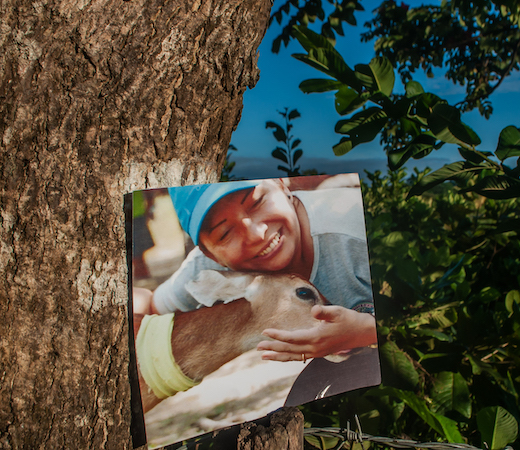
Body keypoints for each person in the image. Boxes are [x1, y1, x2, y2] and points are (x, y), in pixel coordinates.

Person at [137, 174, 380, 406]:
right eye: (224, 233)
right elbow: (149, 305)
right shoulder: (205, 268)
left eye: (257, 202)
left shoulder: (356, 229)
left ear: (282, 184)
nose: (256, 234)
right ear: (211, 255)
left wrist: (365, 331)